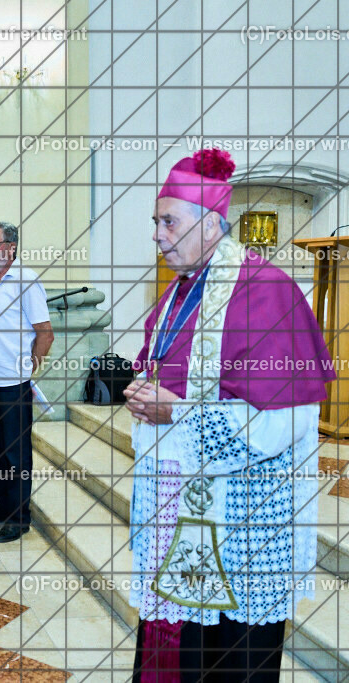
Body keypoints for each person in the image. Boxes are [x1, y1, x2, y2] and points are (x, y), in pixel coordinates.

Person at [124, 149, 334, 682]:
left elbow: (286, 422)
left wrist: (177, 412)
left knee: (233, 660)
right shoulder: (178, 295)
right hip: (181, 518)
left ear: (210, 223)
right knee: (184, 651)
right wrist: (145, 397)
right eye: (156, 222)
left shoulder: (267, 292)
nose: (157, 234)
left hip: (245, 524)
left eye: (167, 221)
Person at [0, 221, 54, 543]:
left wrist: (26, 370)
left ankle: (19, 518)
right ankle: (0, 507)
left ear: (11, 247)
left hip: (12, 384)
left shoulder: (27, 280)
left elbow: (45, 333)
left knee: (15, 454)